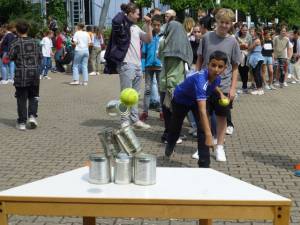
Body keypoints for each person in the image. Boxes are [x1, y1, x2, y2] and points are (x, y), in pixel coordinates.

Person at [165, 51, 228, 168]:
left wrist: (221, 94)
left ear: (225, 68)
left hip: (195, 99)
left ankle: (204, 165)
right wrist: (210, 136)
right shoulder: (201, 80)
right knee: (176, 126)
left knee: (203, 129)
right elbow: (203, 111)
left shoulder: (217, 78)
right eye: (213, 65)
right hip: (181, 99)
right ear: (208, 64)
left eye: (220, 67)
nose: (216, 69)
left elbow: (214, 86)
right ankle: (170, 144)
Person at [195, 8, 241, 162]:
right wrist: (196, 78)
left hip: (225, 86)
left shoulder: (233, 41)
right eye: (222, 22)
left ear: (231, 24)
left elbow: (235, 67)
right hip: (205, 84)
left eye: (228, 23)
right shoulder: (206, 37)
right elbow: (200, 60)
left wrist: (233, 88)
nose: (224, 25)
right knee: (204, 116)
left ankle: (220, 146)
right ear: (216, 22)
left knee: (222, 118)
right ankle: (203, 146)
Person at [105, 3, 152, 128]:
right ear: (130, 13)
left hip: (137, 65)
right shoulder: (121, 25)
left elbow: (148, 39)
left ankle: (135, 119)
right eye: (137, 13)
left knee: (135, 96)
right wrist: (125, 10)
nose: (139, 16)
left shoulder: (136, 28)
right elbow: (116, 20)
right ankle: (124, 120)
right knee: (125, 94)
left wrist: (148, 25)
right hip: (127, 64)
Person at [159, 16, 193, 144]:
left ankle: (168, 134)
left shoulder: (163, 41)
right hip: (175, 84)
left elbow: (159, 56)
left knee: (167, 111)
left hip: (163, 81)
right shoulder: (181, 43)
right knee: (174, 112)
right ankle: (170, 137)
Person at [9, 20, 42, 130]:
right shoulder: (35, 42)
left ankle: (22, 122)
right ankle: (32, 116)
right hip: (34, 73)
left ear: (17, 31)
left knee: (21, 98)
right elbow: (40, 56)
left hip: (21, 74)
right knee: (33, 96)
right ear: (27, 29)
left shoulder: (15, 42)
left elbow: (10, 56)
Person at [140, 15, 162, 122]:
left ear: (161, 25)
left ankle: (162, 111)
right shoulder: (148, 36)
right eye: (154, 25)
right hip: (148, 66)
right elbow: (143, 53)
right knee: (147, 89)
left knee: (160, 89)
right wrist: (143, 68)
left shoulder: (163, 36)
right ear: (151, 25)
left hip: (160, 66)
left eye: (158, 25)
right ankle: (145, 112)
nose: (156, 27)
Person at [236, 24, 252, 93]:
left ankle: (244, 87)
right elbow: (235, 45)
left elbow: (250, 47)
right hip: (239, 55)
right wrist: (240, 45)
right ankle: (243, 86)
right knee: (240, 71)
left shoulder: (249, 37)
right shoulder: (237, 36)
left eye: (246, 30)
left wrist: (247, 47)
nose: (245, 31)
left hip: (246, 55)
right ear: (241, 30)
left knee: (245, 71)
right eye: (243, 30)